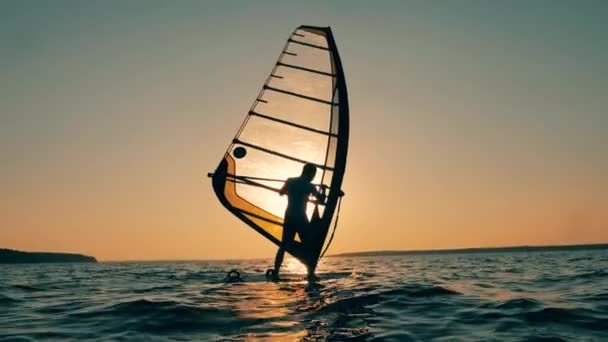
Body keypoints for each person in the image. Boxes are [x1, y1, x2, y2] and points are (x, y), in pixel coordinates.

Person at [271, 163, 325, 281]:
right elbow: (321, 200)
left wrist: (290, 191)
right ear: (310, 173)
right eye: (314, 174)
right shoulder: (310, 186)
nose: (314, 177)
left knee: (283, 245)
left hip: (289, 216)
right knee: (309, 246)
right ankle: (310, 273)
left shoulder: (290, 181)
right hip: (301, 218)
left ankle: (275, 272)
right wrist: (324, 190)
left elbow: (281, 193)